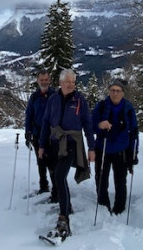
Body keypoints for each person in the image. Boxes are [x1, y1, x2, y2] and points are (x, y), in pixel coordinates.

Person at [38, 69, 95, 241]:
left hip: (71, 143)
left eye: (73, 82)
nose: (71, 84)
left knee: (60, 176)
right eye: (67, 81)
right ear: (60, 82)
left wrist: (91, 147)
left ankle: (64, 220)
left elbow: (88, 124)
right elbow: (46, 122)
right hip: (55, 143)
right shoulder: (53, 99)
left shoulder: (79, 100)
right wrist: (42, 145)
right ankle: (67, 206)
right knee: (57, 175)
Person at [92, 79, 139, 216]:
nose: (115, 93)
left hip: (121, 149)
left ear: (123, 93)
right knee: (101, 178)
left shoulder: (128, 108)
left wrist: (133, 153)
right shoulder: (101, 106)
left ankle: (119, 207)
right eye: (112, 90)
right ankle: (103, 203)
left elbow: (134, 132)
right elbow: (91, 125)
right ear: (109, 91)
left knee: (120, 180)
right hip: (103, 147)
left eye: (118, 91)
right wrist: (100, 125)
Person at [24, 70, 57, 199]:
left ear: (50, 80)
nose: (44, 82)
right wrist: (28, 132)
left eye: (46, 80)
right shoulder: (34, 97)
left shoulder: (55, 96)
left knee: (52, 163)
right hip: (37, 133)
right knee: (41, 161)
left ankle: (56, 190)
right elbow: (29, 115)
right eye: (41, 80)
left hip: (51, 135)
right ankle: (43, 185)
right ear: (38, 81)